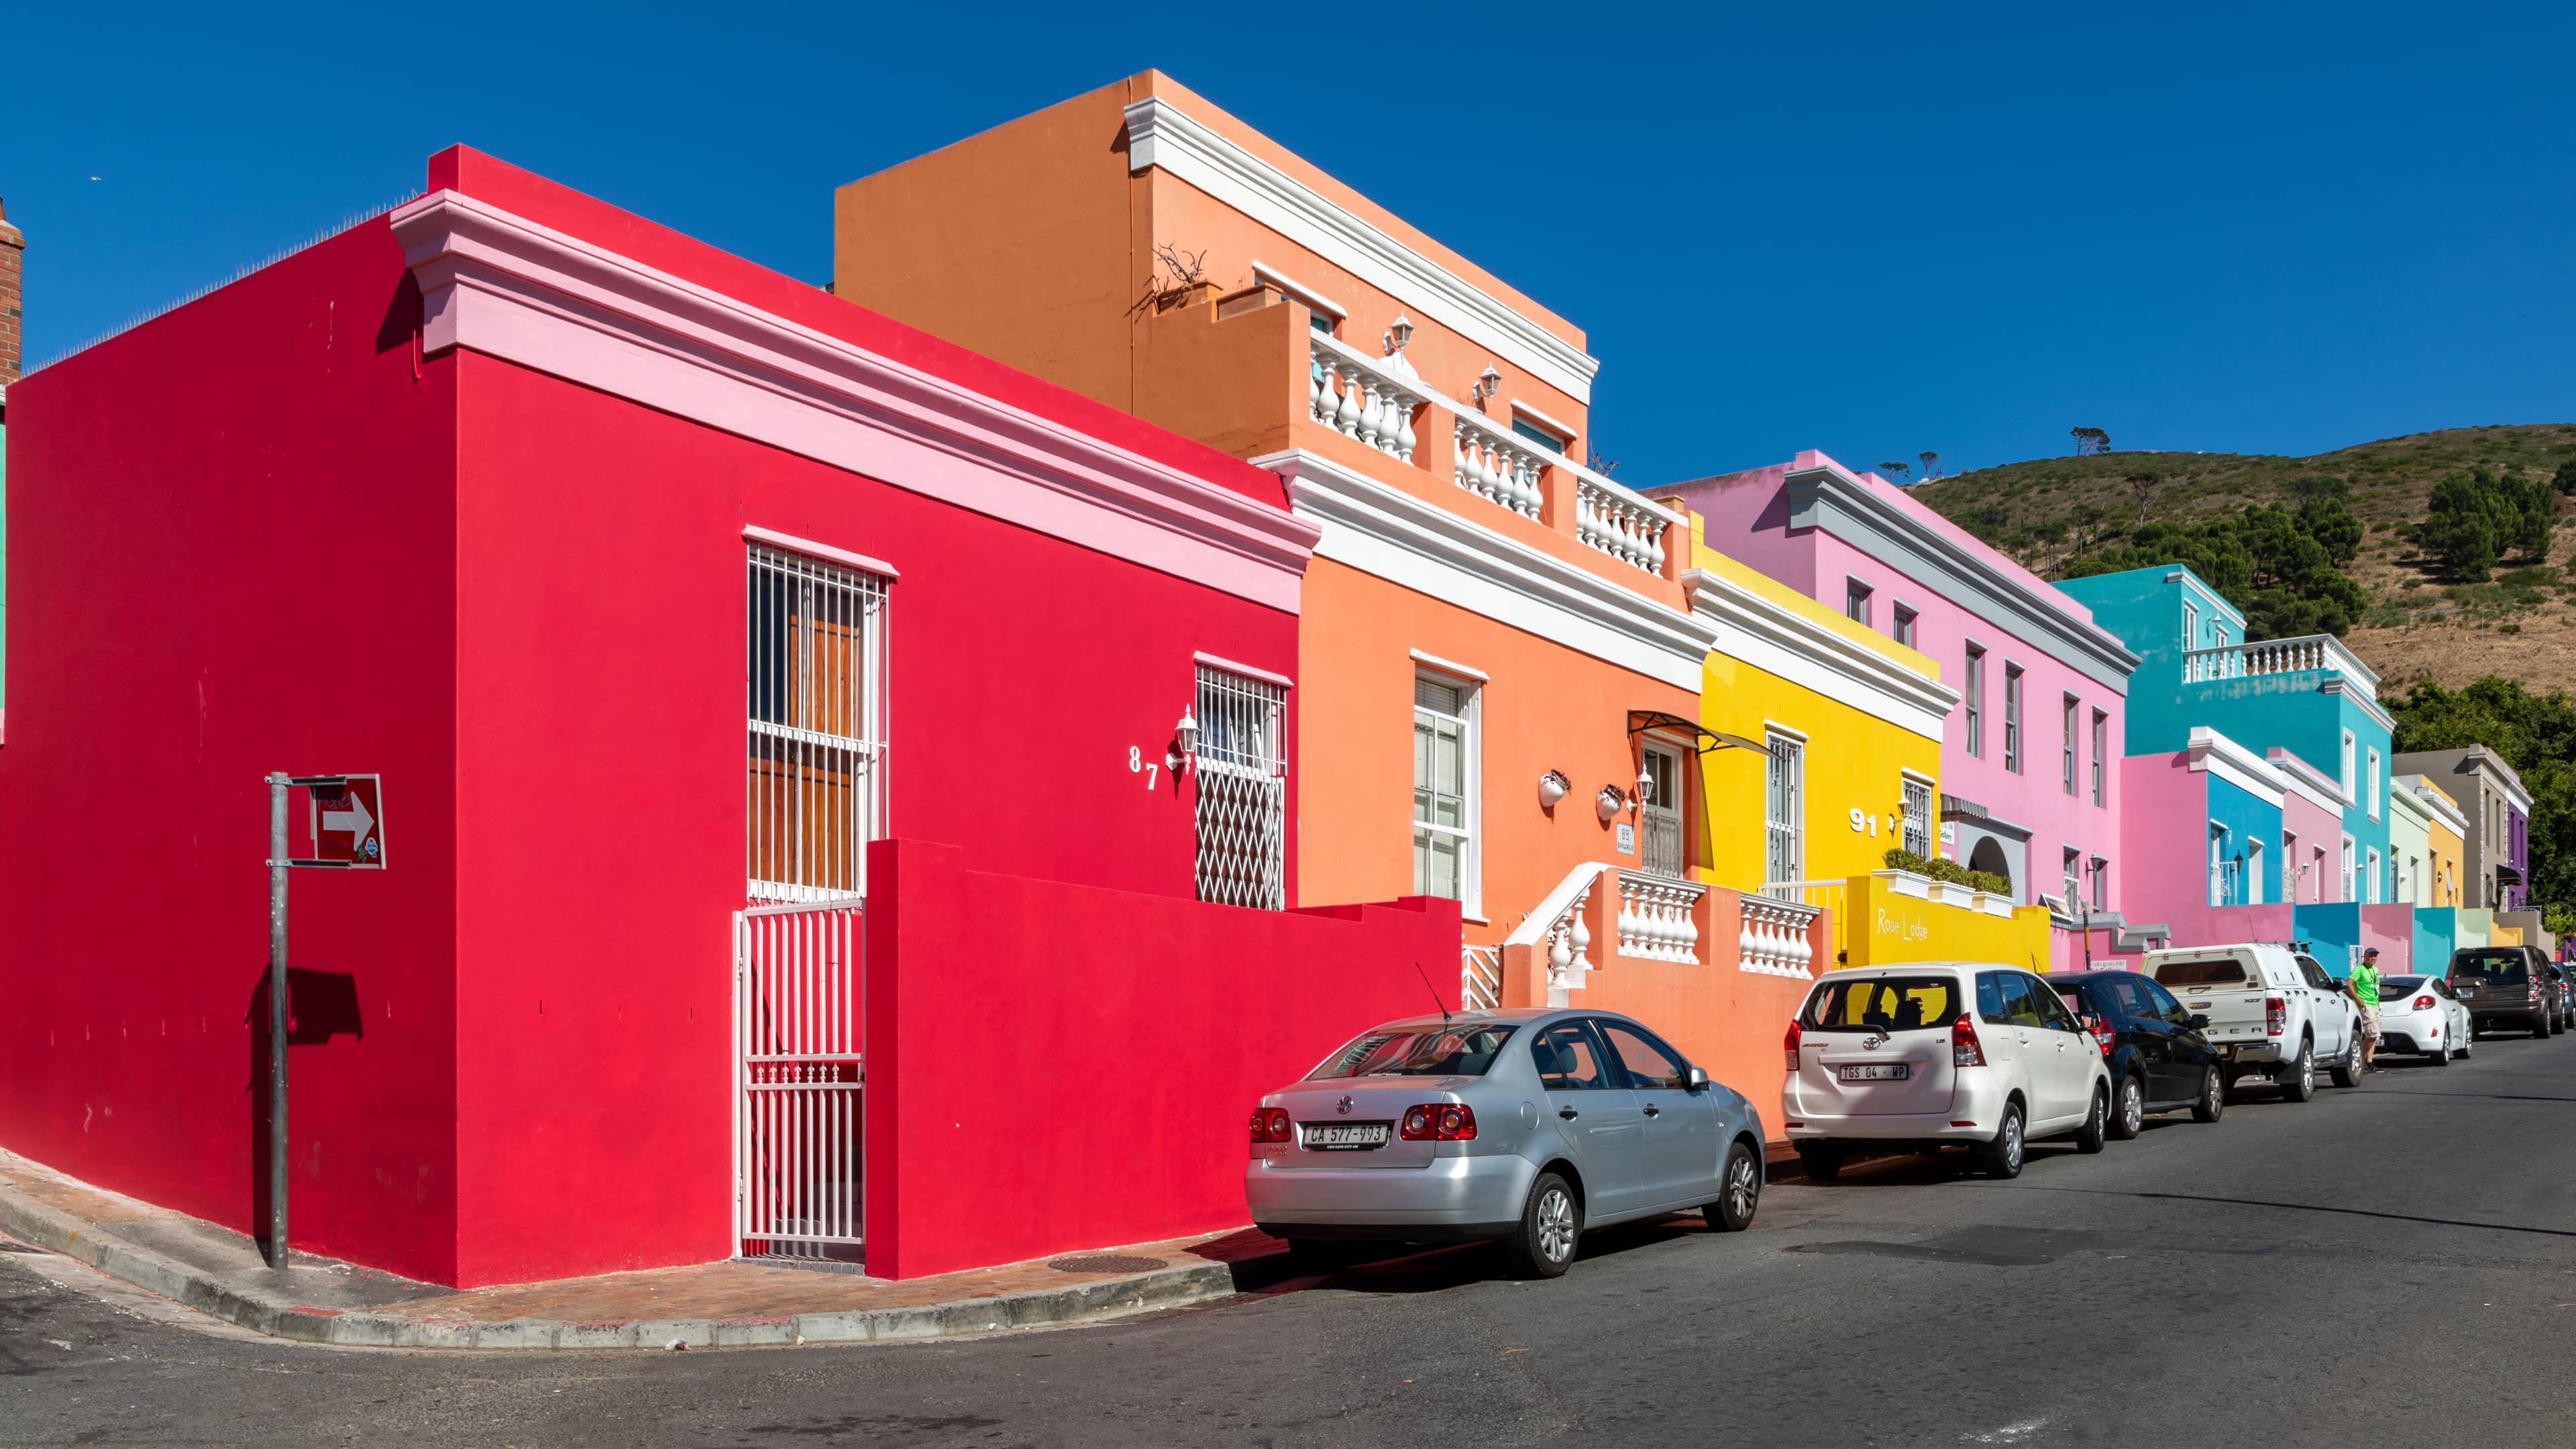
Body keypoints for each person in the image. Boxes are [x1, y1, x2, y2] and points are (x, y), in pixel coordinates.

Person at [2349, 947, 2383, 1072]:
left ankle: (2369, 1062)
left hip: (2374, 1005)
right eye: (2370, 956)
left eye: (2375, 956)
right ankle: (2359, 1060)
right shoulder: (2360, 970)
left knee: (2374, 1035)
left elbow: (2375, 987)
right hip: (2366, 1005)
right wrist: (2358, 999)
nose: (2373, 958)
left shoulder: (2375, 970)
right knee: (2372, 1034)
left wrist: (2378, 1000)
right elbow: (2349, 983)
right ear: (2365, 956)